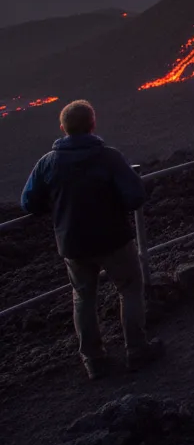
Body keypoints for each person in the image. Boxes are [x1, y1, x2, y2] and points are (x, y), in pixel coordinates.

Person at [20, 100, 164, 380]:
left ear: (63, 128)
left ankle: (93, 361)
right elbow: (135, 196)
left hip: (73, 243)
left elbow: (29, 202)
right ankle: (136, 350)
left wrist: (57, 206)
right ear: (92, 124)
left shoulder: (48, 163)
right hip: (113, 239)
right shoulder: (108, 157)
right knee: (130, 288)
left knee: (83, 298)